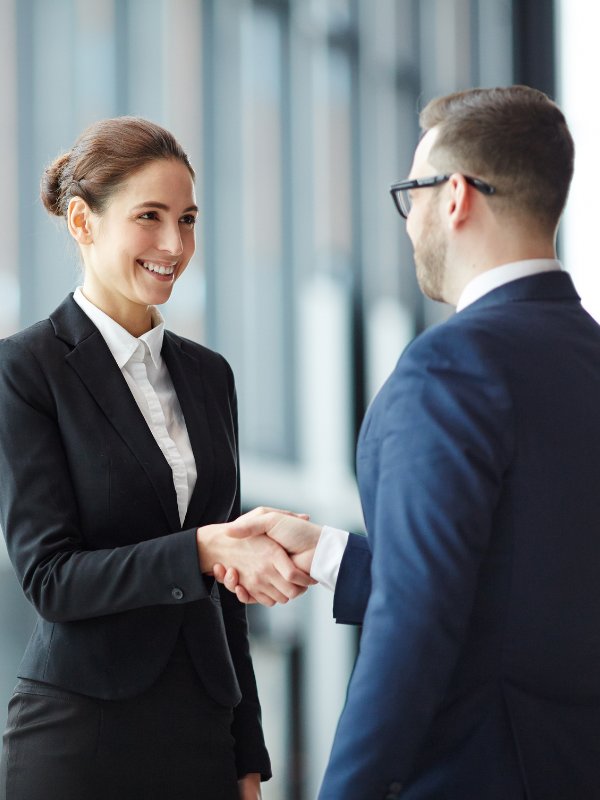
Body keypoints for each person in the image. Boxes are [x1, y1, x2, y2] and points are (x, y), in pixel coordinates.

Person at [216, 86, 600, 799]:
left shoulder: (451, 366)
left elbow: (417, 629)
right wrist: (332, 556)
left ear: (456, 196)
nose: (408, 219)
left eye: (412, 193)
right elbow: (515, 595)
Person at [0, 116, 313, 800]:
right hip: (83, 737)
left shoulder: (209, 376)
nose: (175, 244)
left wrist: (247, 756)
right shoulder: (26, 370)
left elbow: (226, 598)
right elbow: (51, 578)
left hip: (203, 731)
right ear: (82, 222)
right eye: (150, 216)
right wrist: (200, 547)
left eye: (189, 219)